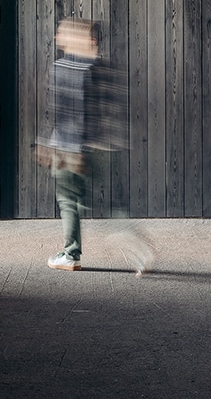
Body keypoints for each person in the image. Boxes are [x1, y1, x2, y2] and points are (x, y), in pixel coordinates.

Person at [39, 18, 148, 274]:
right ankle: (135, 245)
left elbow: (63, 112)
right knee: (109, 204)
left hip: (69, 147)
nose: (57, 38)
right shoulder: (101, 68)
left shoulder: (62, 67)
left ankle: (71, 254)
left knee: (68, 201)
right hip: (99, 147)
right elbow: (111, 108)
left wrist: (51, 145)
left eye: (61, 33)